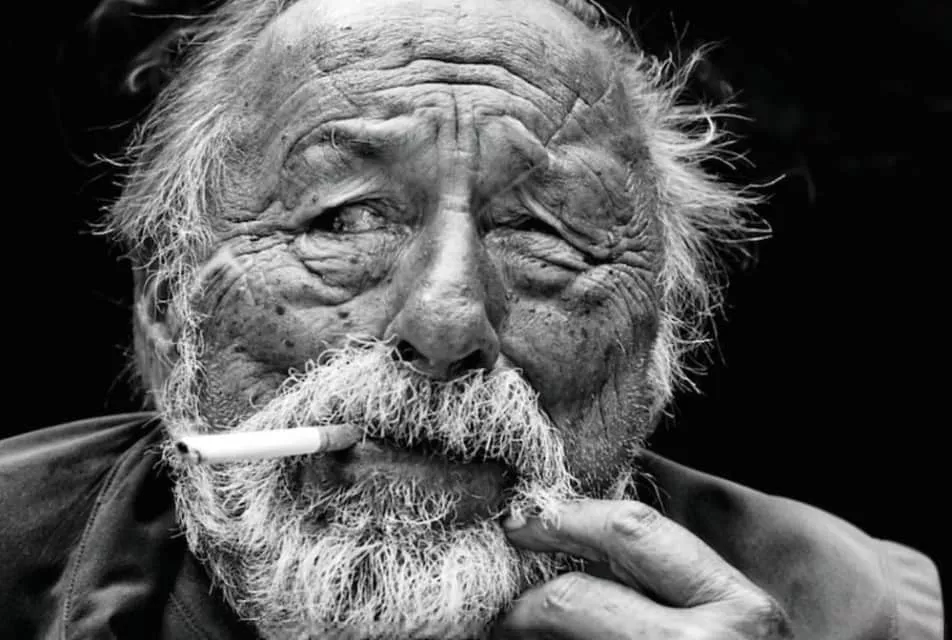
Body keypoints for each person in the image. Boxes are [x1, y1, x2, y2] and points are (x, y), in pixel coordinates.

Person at [0, 0, 942, 638]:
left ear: (661, 335)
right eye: (346, 219)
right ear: (169, 312)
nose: (448, 323)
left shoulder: (860, 612)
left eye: (540, 232)